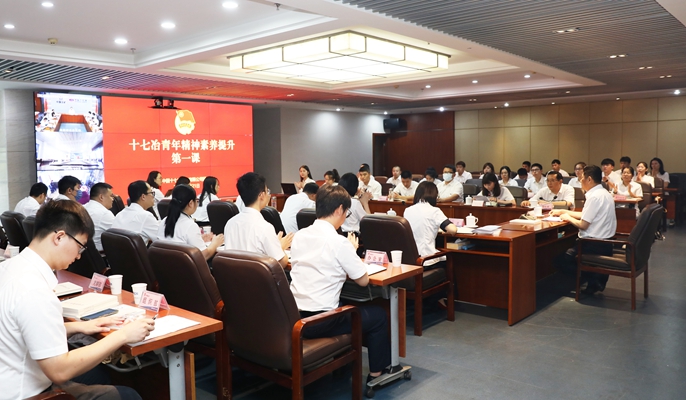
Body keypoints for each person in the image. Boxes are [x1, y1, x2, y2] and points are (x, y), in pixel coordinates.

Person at [0, 200, 154, 399]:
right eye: (80, 247)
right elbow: (60, 370)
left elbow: (25, 329)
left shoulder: (10, 268)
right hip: (28, 393)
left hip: (10, 378)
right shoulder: (35, 291)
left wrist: (79, 327)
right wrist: (123, 335)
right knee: (128, 395)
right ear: (59, 237)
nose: (79, 256)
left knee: (98, 375)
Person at [289, 184, 394, 384]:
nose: (346, 216)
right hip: (322, 321)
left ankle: (342, 366)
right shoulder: (339, 242)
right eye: (346, 212)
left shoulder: (300, 235)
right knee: (378, 315)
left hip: (295, 317)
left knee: (344, 303)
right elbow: (363, 281)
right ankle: (377, 374)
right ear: (339, 209)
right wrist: (352, 251)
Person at [551, 165, 617, 294]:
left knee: (559, 261)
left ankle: (593, 277)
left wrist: (567, 218)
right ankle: (594, 279)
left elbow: (583, 225)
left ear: (589, 179)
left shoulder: (593, 197)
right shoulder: (605, 193)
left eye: (582, 178)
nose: (580, 181)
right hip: (606, 242)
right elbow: (588, 215)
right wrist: (564, 212)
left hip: (593, 244)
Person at [224, 172, 292, 268]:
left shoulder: (230, 223)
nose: (269, 195)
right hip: (254, 277)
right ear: (262, 195)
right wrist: (281, 247)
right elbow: (281, 263)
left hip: (233, 276)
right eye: (267, 191)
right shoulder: (264, 227)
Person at [158, 185, 223, 260]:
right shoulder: (190, 225)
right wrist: (215, 244)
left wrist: (199, 238)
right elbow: (202, 256)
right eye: (196, 201)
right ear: (191, 203)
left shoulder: (164, 221)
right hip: (183, 266)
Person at [404, 181, 458, 270]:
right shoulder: (434, 211)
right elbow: (453, 230)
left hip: (411, 261)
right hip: (426, 261)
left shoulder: (407, 210)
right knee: (449, 259)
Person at [83, 183, 115, 252]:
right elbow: (119, 236)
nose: (113, 199)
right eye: (111, 196)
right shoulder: (104, 213)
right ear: (101, 197)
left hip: (83, 253)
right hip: (100, 254)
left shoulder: (83, 207)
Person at [650, 157, 672, 225]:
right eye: (652, 164)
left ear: (660, 165)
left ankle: (668, 219)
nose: (654, 165)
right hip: (652, 194)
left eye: (656, 163)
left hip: (663, 194)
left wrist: (655, 177)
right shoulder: (648, 174)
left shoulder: (665, 174)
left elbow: (665, 185)